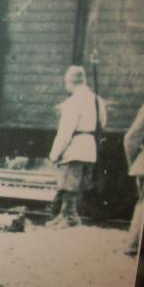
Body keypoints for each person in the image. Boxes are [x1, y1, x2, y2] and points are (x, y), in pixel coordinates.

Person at [47, 65, 107, 227]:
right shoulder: (97, 100)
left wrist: (54, 153)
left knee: (68, 182)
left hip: (74, 147)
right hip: (89, 147)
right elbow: (102, 123)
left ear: (70, 82)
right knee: (75, 183)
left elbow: (65, 132)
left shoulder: (72, 102)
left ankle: (69, 217)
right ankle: (64, 215)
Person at [123, 97, 144, 256]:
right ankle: (134, 245)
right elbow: (131, 139)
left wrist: (135, 162)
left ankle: (134, 245)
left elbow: (131, 139)